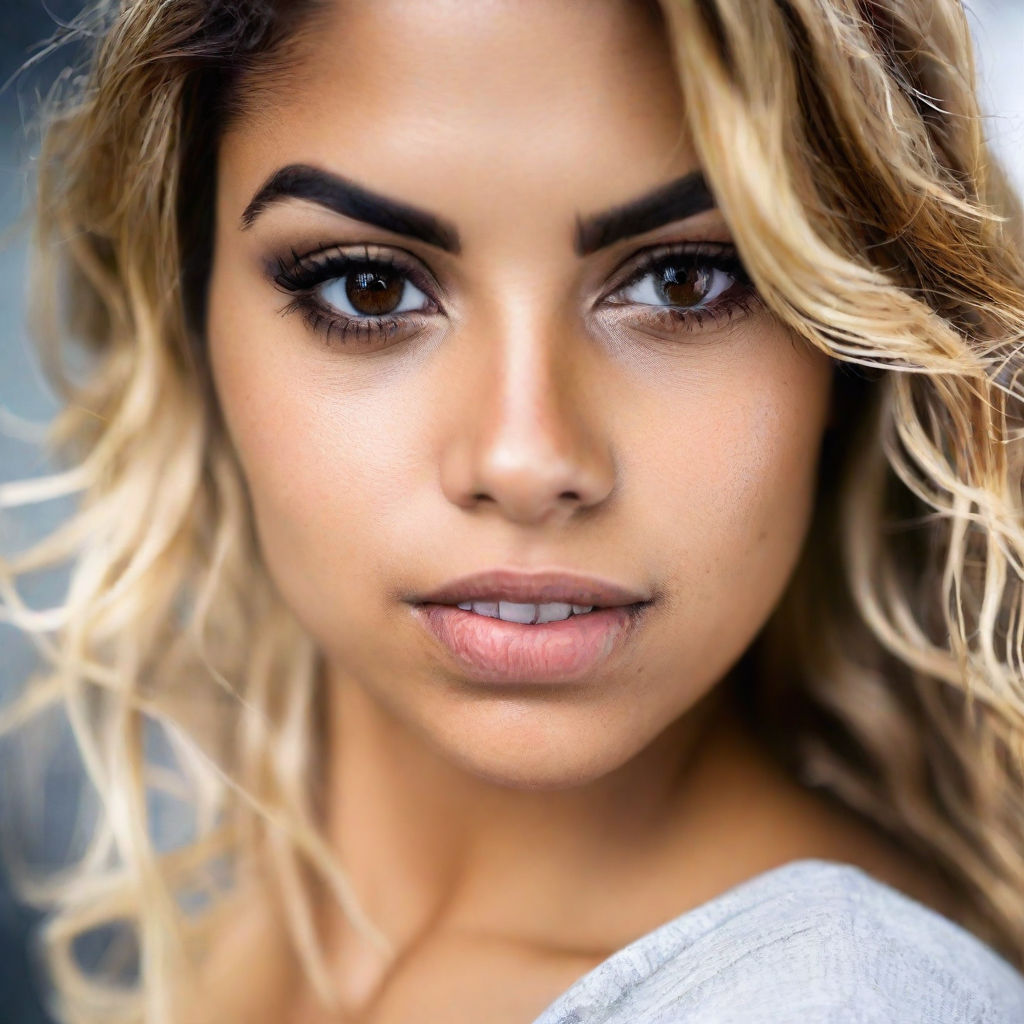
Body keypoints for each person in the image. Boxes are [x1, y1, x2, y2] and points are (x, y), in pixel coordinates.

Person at [3, 0, 1024, 1020]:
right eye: (369, 289)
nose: (527, 458)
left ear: (851, 347)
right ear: (191, 315)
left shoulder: (834, 997)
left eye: (681, 281)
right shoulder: (248, 902)